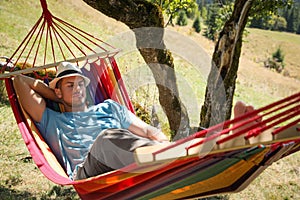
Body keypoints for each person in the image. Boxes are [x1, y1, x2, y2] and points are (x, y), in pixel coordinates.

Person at [13, 62, 256, 180]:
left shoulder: (109, 107)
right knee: (108, 139)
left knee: (127, 140)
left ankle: (213, 146)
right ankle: (197, 150)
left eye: (80, 84)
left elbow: (150, 132)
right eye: (70, 86)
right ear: (57, 92)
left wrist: (162, 144)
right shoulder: (54, 120)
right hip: (92, 177)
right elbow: (18, 82)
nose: (78, 89)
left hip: (137, 164)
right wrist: (53, 91)